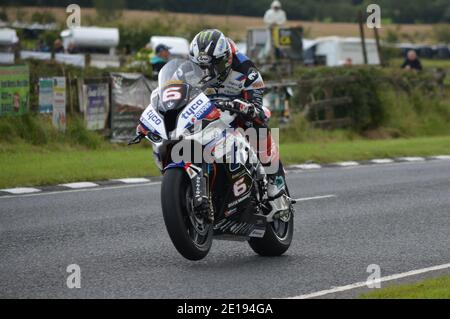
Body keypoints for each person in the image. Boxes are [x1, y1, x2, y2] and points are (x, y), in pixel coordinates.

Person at [189, 29, 289, 206]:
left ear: (226, 59)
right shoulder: (192, 70)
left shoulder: (246, 69)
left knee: (255, 123)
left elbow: (257, 107)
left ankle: (275, 177)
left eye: (213, 67)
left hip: (238, 108)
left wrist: (242, 106)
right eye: (201, 67)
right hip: (210, 111)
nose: (207, 73)